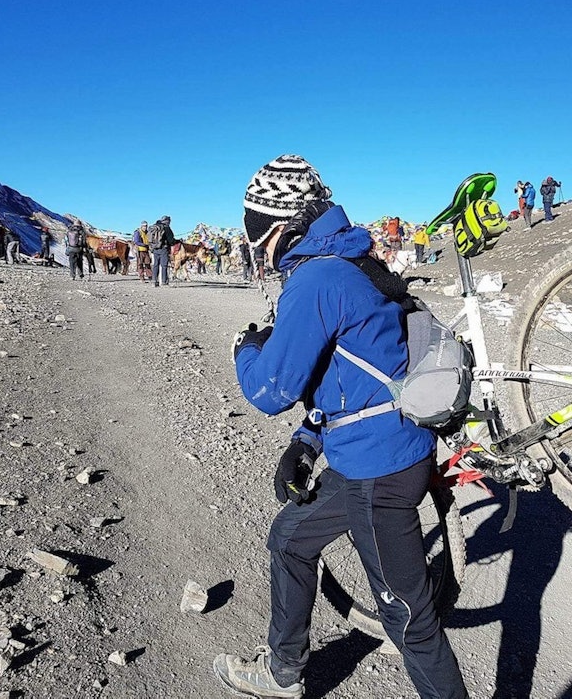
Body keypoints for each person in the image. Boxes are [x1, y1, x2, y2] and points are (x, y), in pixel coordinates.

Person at [216, 154, 467, 699]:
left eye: (255, 233)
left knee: (409, 621)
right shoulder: (347, 259)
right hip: (372, 450)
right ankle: (283, 673)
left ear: (277, 229)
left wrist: (245, 348)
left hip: (379, 468)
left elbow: (268, 390)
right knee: (289, 538)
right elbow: (351, 372)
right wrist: (306, 441)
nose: (255, 246)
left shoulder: (315, 280)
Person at [150, 215, 175, 286]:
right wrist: (175, 242)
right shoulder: (166, 228)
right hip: (164, 249)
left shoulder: (155, 227)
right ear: (168, 221)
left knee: (155, 265)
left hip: (155, 248)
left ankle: (154, 281)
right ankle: (164, 282)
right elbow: (171, 240)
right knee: (164, 265)